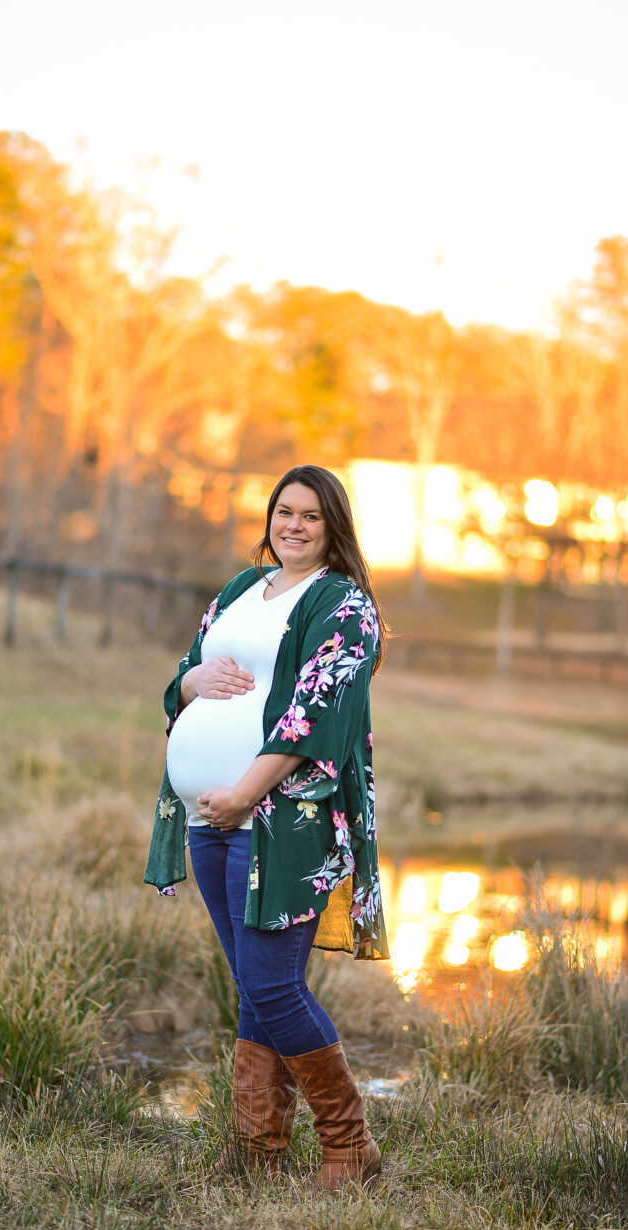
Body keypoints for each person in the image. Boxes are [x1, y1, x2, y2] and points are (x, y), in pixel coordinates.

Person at [144, 464, 389, 1187]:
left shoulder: (343, 603)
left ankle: (351, 1148)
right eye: (285, 511)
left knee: (275, 986)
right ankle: (257, 1153)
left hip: (283, 820)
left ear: (333, 526)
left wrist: (246, 792)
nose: (294, 525)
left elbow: (314, 713)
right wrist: (192, 683)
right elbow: (182, 677)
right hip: (206, 816)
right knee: (252, 986)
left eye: (311, 516)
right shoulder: (239, 590)